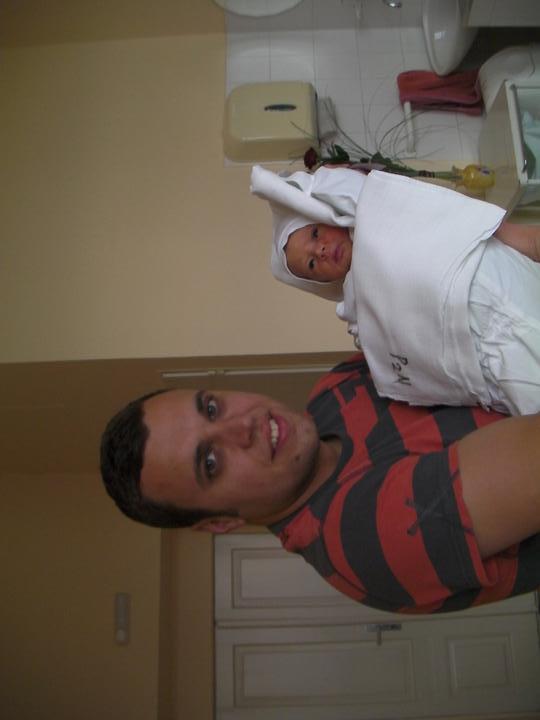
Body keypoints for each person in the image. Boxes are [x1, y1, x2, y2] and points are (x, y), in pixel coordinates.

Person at [100, 354, 540, 614]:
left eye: (211, 408)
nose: (241, 426)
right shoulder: (363, 539)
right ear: (219, 523)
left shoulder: (332, 391)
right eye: (210, 462)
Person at [251, 164, 540, 415]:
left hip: (511, 283)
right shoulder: (364, 322)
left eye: (315, 234)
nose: (321, 250)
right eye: (312, 264)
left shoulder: (397, 213)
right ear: (320, 282)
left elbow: (521, 240)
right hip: (498, 360)